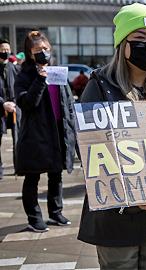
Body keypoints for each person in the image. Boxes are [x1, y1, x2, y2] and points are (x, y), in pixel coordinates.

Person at [77, 3, 146, 270]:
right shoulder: (99, 87)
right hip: (118, 218)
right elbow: (92, 158)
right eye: (139, 38)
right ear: (122, 44)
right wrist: (135, 194)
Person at [14, 30, 76, 232]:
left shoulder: (58, 73)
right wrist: (40, 79)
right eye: (38, 50)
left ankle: (55, 213)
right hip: (36, 134)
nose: (43, 52)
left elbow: (66, 103)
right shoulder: (25, 75)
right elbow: (26, 103)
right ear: (30, 53)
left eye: (46, 49)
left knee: (56, 175)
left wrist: (72, 128)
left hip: (57, 131)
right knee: (33, 176)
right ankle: (34, 218)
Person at [0, 39, 18, 179]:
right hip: (1, 109)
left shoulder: (13, 67)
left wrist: (15, 103)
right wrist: (2, 103)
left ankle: (19, 166)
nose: (6, 51)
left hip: (14, 108)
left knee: (17, 139)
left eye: (7, 49)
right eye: (3, 49)